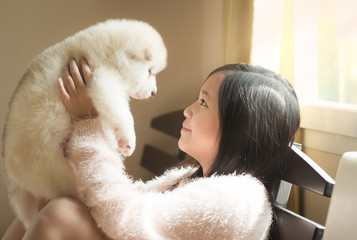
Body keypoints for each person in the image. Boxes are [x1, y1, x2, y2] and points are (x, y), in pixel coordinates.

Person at [2, 58, 300, 240]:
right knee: (50, 197)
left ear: (240, 129)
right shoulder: (197, 179)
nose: (188, 110)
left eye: (204, 102)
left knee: (62, 215)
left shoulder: (238, 198)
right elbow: (127, 205)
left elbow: (124, 217)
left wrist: (89, 124)